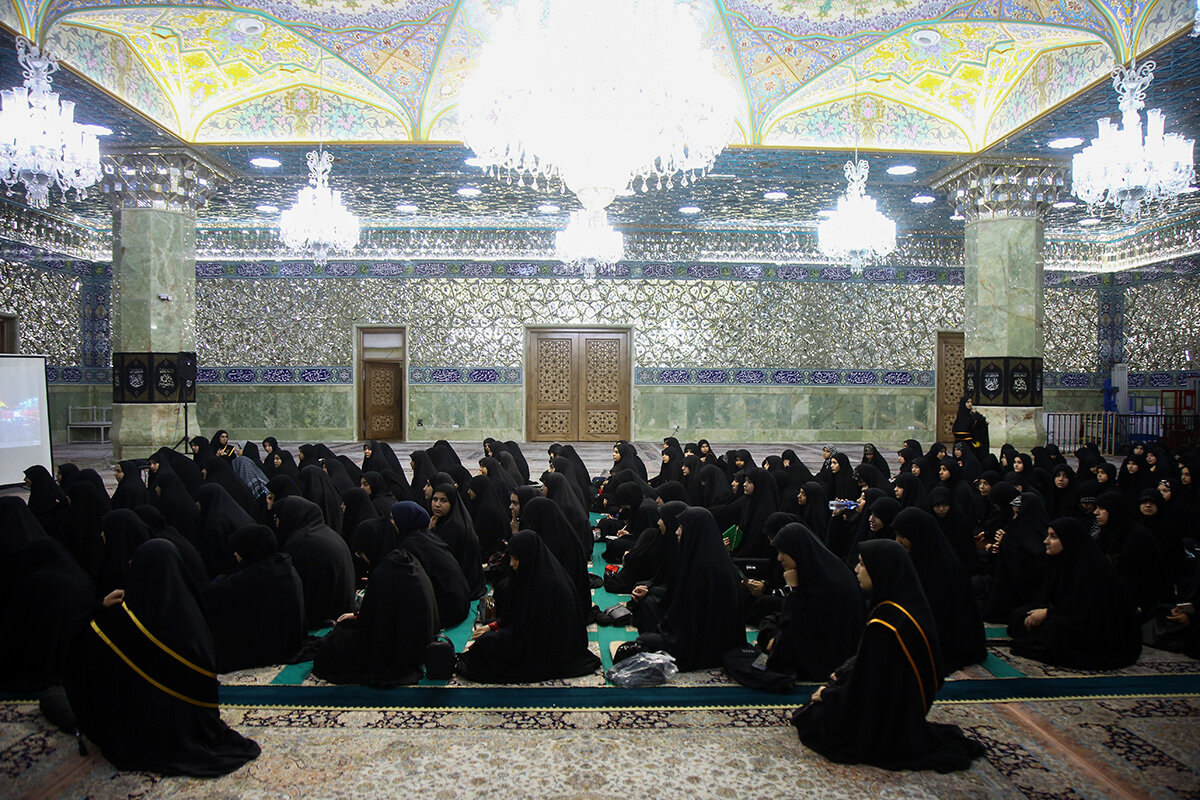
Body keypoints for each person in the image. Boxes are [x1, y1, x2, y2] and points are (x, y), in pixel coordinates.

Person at [63, 539, 261, 776]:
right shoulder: (194, 615)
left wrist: (99, 607)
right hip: (197, 724)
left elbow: (76, 660)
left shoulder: (120, 625)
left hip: (142, 734)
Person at [792, 539, 985, 772]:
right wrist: (844, 674)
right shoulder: (903, 607)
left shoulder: (887, 623)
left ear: (880, 569)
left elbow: (869, 684)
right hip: (903, 710)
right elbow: (872, 666)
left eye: (863, 564)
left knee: (813, 718)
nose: (856, 569)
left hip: (884, 717)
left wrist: (829, 695)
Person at [724, 522, 864, 688]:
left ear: (797, 551)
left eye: (784, 553)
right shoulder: (815, 570)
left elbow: (800, 626)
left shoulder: (831, 586)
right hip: (808, 640)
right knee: (765, 625)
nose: (779, 558)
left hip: (822, 656)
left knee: (738, 660)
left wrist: (793, 591)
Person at [456, 530, 600, 683]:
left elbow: (532, 634)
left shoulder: (547, 587)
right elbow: (521, 616)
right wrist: (494, 626)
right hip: (538, 639)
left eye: (516, 559)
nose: (511, 564)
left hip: (550, 650)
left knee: (486, 645)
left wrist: (498, 635)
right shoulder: (535, 575)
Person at [1008, 517, 1142, 669]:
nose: (1046, 541)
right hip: (1069, 613)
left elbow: (1087, 608)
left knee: (1058, 629)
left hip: (1097, 626)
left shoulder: (1090, 569)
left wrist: (1048, 613)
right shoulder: (1061, 563)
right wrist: (1049, 612)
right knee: (1020, 614)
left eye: (1053, 537)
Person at [634, 506, 746, 671]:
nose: (677, 532)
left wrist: (667, 629)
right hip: (706, 636)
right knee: (649, 604)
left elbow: (690, 620)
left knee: (644, 640)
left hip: (703, 645)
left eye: (681, 527)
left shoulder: (703, 568)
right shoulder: (709, 558)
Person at [313, 546, 440, 686]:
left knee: (332, 645)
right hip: (419, 645)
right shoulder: (412, 567)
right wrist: (358, 615)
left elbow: (377, 623)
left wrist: (359, 618)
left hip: (393, 650)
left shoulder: (386, 572)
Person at [201, 524, 306, 672]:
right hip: (291, 641)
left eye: (238, 551)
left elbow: (215, 593)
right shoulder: (281, 564)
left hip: (273, 647)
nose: (236, 555)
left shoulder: (255, 577)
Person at [272, 496, 356, 628]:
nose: (276, 525)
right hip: (341, 613)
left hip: (321, 621)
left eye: (277, 519)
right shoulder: (327, 534)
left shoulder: (299, 544)